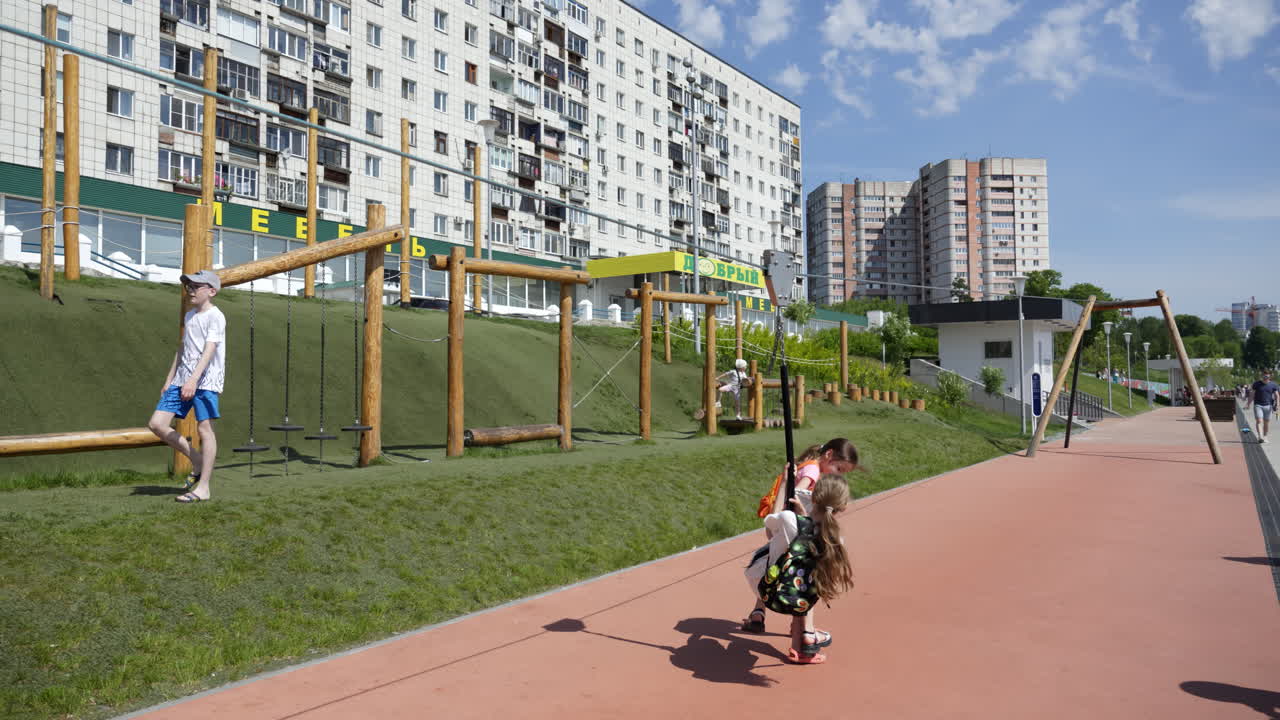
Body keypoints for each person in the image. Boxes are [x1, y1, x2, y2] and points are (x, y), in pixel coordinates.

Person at [742, 474, 854, 664]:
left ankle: (760, 613)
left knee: (790, 567)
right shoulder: (835, 541)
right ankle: (805, 640)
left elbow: (769, 531)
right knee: (808, 576)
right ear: (843, 507)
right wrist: (805, 520)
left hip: (765, 588)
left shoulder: (789, 520)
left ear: (813, 497)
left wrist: (786, 485)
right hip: (797, 598)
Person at [147, 270, 226, 502]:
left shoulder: (216, 316)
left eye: (196, 286)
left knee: (204, 430)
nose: (190, 290)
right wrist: (170, 379)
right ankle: (198, 460)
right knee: (157, 424)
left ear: (211, 291)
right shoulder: (190, 315)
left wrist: (193, 380)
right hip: (182, 379)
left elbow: (209, 350)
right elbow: (182, 349)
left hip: (206, 381)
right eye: (188, 286)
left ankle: (204, 487)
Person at [1247, 370, 1280, 444]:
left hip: (1268, 406)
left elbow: (1277, 396)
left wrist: (1278, 405)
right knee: (1259, 421)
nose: (1266, 377)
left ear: (1270, 376)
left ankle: (1265, 436)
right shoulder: (1256, 384)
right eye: (1264, 375)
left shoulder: (1273, 385)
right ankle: (1260, 437)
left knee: (1266, 423)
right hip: (1258, 405)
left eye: (1267, 375)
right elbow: (1252, 394)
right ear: (1262, 376)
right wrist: (1248, 404)